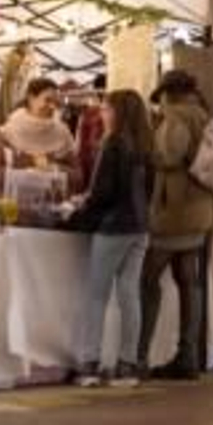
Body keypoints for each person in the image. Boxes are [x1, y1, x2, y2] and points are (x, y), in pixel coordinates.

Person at [67, 89, 152, 389]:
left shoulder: (113, 143)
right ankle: (127, 365)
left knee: (97, 295)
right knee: (130, 296)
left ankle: (90, 363)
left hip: (114, 226)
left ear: (118, 112)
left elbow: (103, 192)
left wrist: (80, 208)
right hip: (140, 227)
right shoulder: (144, 144)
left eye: (106, 107)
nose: (101, 112)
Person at [139, 70, 213, 381]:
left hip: (174, 211)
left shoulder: (176, 118)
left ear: (169, 93)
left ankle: (139, 355)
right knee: (189, 282)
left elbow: (169, 156)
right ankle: (188, 355)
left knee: (147, 279)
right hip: (201, 209)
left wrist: (149, 152)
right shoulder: (206, 116)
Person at [0, 77, 77, 195]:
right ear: (31, 98)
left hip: (52, 207)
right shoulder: (8, 131)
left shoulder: (62, 132)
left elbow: (78, 176)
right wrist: (24, 174)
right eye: (48, 100)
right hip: (12, 206)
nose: (52, 106)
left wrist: (55, 168)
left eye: (55, 102)